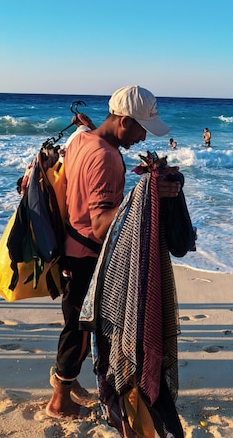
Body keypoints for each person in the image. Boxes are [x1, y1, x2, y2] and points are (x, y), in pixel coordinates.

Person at [46, 84, 181, 419]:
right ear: (123, 121)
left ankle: (68, 382)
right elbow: (102, 224)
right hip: (86, 256)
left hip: (67, 248)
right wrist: (145, 194)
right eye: (141, 129)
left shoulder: (83, 139)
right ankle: (59, 401)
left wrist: (85, 123)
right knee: (79, 330)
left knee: (73, 323)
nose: (143, 140)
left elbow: (85, 129)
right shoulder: (107, 158)